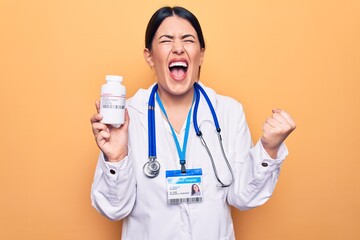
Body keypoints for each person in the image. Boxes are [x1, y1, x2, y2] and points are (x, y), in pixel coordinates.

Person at [90, 6, 296, 240]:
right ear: (149, 56)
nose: (178, 47)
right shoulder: (125, 117)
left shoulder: (228, 112)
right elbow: (114, 209)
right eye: (166, 40)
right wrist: (116, 159)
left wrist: (269, 150)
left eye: (188, 40)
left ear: (201, 54)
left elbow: (243, 197)